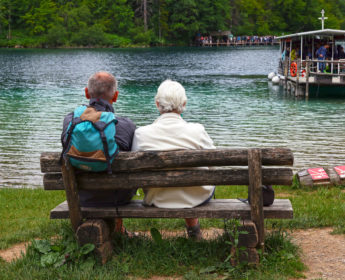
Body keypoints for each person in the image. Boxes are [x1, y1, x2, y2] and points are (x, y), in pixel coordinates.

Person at [131, 80, 215, 240]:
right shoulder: (197, 131)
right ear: (184, 104)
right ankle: (193, 230)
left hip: (157, 197)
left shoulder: (141, 134)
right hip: (196, 197)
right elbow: (214, 165)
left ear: (157, 104)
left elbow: (135, 169)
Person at [61, 71, 136, 235]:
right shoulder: (126, 125)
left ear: (87, 93)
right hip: (118, 198)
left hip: (80, 197)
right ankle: (118, 228)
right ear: (115, 96)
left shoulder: (70, 121)